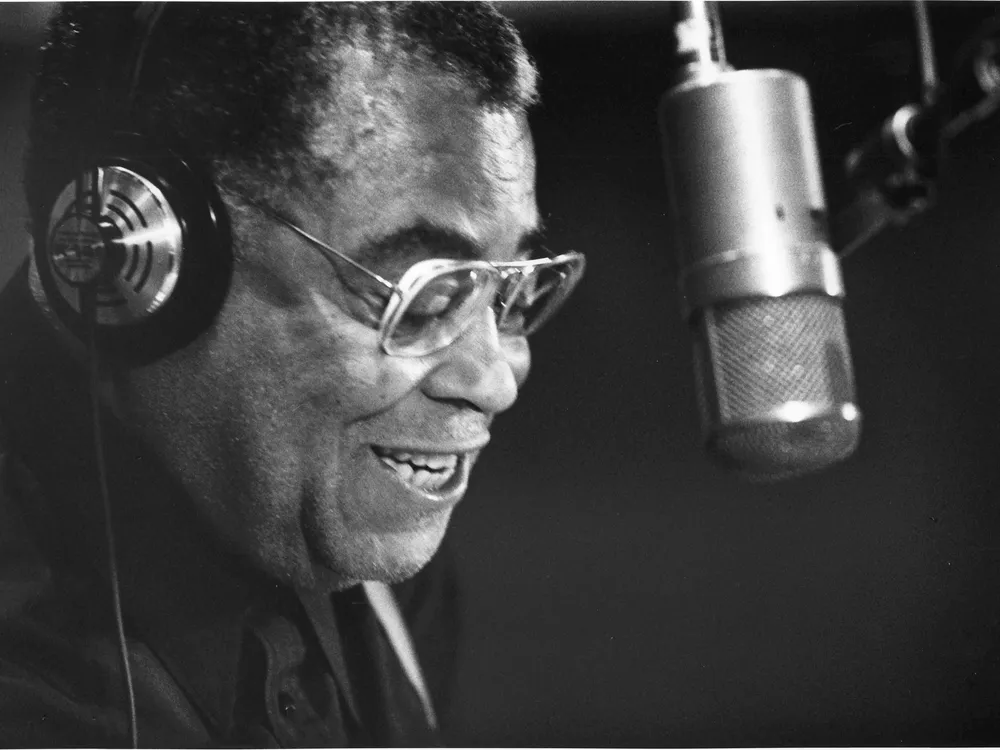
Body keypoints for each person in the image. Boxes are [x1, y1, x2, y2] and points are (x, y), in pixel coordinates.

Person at [0, 2, 585, 746]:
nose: (494, 381)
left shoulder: (381, 566)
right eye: (424, 292)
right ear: (144, 262)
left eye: (506, 291)